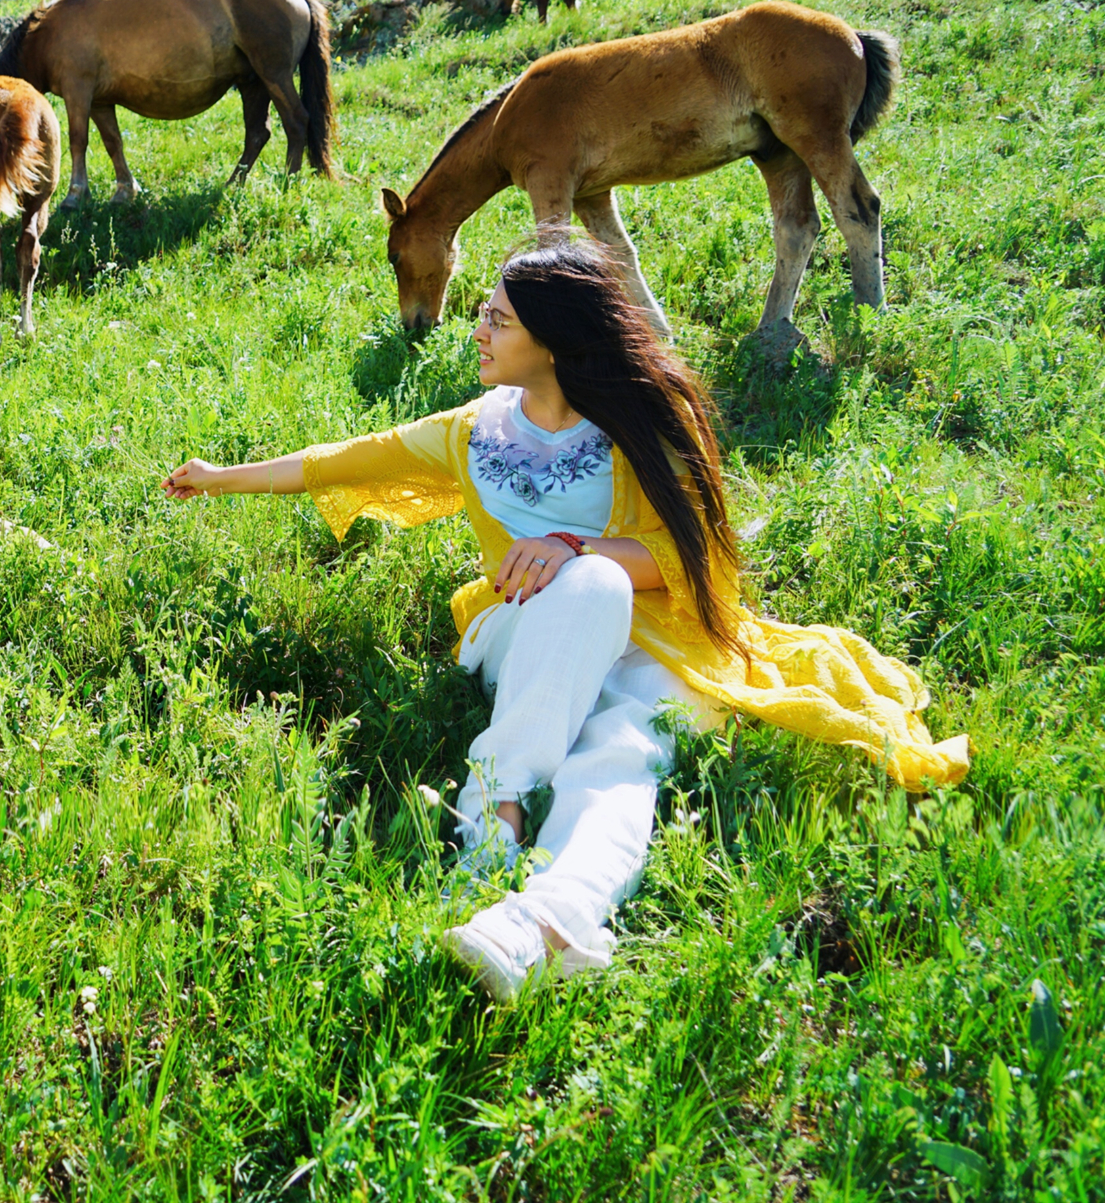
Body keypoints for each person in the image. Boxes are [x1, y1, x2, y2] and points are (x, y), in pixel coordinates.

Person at [161, 237, 967, 1002]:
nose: (478, 330)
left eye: (498, 320)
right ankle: (496, 816)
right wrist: (219, 476)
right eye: (485, 314)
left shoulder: (646, 421)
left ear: (551, 342)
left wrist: (577, 547)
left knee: (622, 751)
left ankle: (545, 920)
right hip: (520, 632)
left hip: (660, 640)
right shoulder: (473, 431)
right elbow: (341, 460)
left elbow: (698, 560)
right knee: (591, 592)